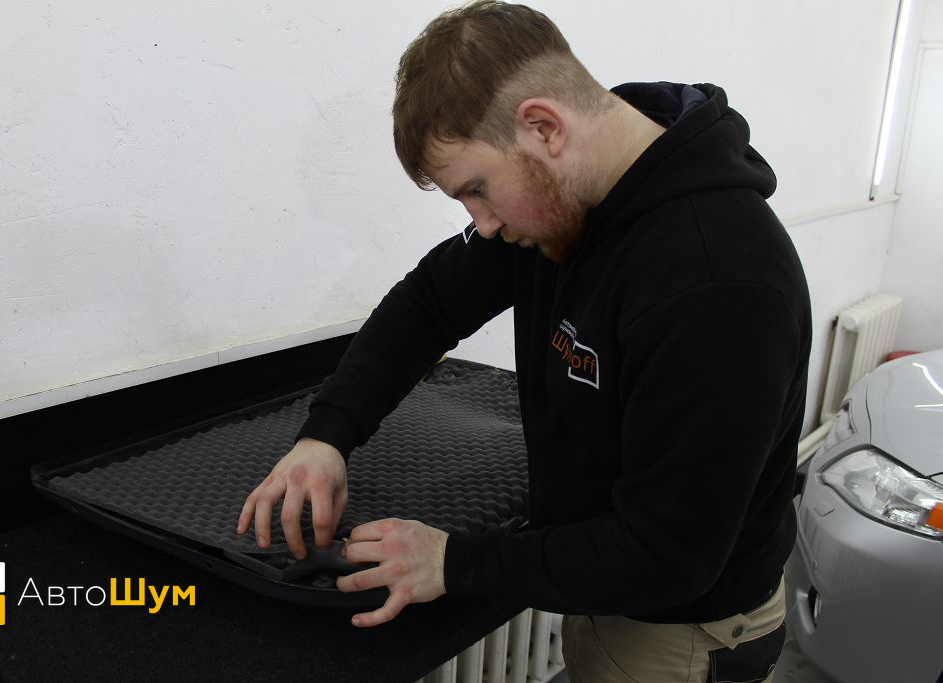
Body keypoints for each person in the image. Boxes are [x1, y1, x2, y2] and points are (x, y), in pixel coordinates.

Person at [237, 2, 812, 680]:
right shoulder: (572, 193)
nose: (481, 224)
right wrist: (327, 435)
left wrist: (451, 561)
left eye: (477, 190)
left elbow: (667, 554)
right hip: (612, 597)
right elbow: (430, 302)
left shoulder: (716, 282)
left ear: (544, 127)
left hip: (683, 635)